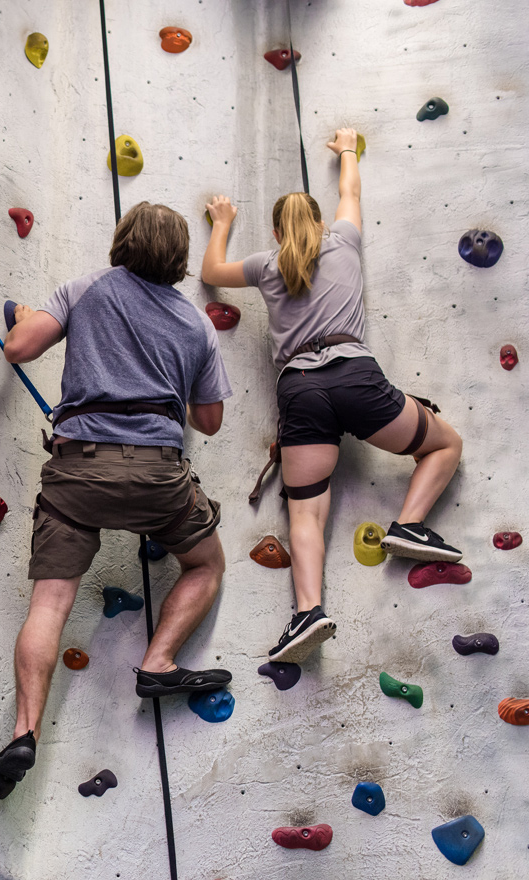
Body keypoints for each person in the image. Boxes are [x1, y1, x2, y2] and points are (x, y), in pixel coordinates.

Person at [0, 201, 234, 800]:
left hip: (77, 476)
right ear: (178, 259)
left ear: (121, 240)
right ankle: (158, 661)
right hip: (157, 479)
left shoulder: (85, 287)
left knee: (49, 604)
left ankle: (24, 733)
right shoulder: (196, 323)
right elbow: (211, 420)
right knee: (206, 564)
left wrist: (25, 316)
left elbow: (19, 347)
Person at [200, 127, 463, 664]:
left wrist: (223, 223)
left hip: (299, 390)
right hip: (355, 376)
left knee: (305, 512)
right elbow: (352, 194)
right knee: (443, 445)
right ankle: (408, 526)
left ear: (276, 232)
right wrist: (346, 148)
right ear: (319, 223)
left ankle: (308, 613)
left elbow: (209, 273)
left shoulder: (266, 265)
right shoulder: (343, 241)